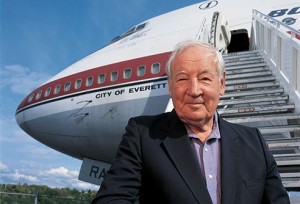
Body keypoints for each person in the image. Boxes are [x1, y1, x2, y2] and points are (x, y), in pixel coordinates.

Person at [92, 40, 290, 204]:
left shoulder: (253, 141)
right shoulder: (142, 135)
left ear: (221, 84)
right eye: (182, 79)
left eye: (205, 78)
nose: (194, 90)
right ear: (170, 87)